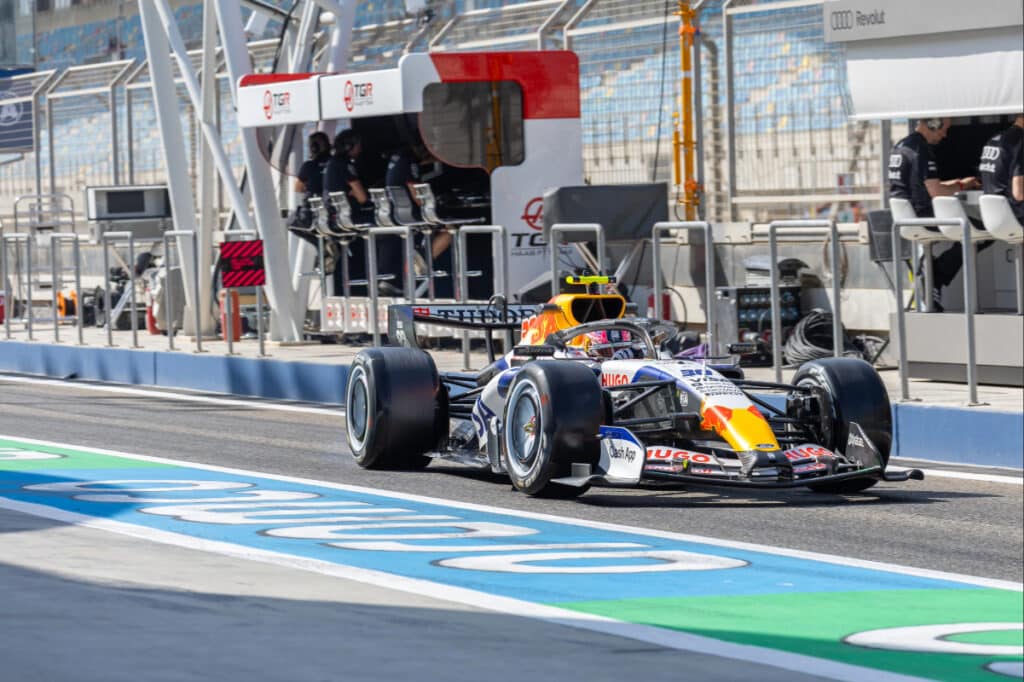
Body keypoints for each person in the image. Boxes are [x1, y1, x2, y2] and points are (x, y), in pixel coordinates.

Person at [888, 118, 987, 311]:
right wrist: (961, 186)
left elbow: (930, 186)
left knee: (973, 230)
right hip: (923, 215)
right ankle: (937, 274)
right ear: (933, 124)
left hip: (907, 217)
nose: (945, 135)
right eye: (944, 129)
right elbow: (936, 192)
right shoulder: (921, 150)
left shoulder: (902, 145)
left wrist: (962, 184)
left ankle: (934, 273)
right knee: (984, 232)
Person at [324, 129, 372, 292]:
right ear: (349, 146)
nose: (360, 149)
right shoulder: (346, 165)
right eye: (358, 145)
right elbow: (362, 198)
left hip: (332, 218)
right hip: (348, 219)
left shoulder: (332, 163)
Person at [288, 132, 331, 248]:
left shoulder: (308, 166)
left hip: (312, 214)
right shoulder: (334, 163)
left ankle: (321, 244)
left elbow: (298, 188)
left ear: (313, 148)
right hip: (333, 212)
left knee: (291, 223)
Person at [979, 114, 1024, 225]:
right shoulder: (1020, 142)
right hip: (1013, 216)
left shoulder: (994, 138)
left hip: (990, 214)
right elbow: (1019, 194)